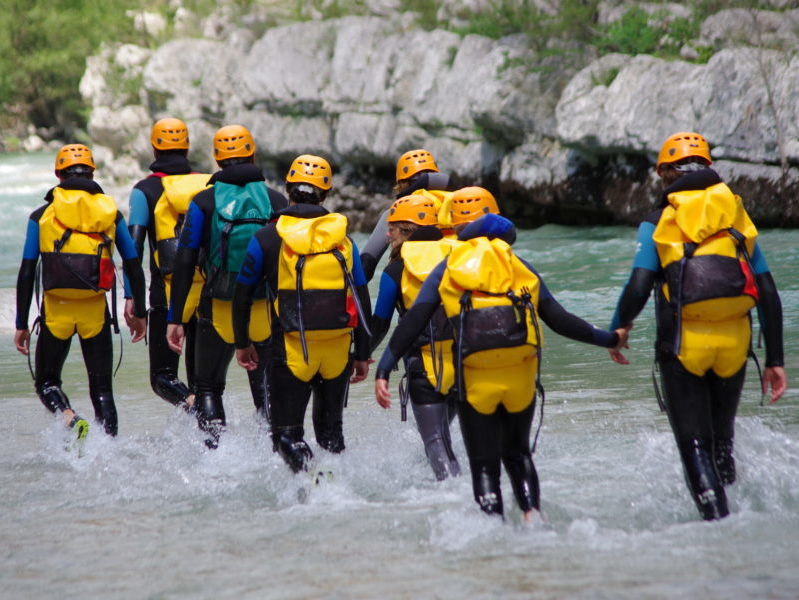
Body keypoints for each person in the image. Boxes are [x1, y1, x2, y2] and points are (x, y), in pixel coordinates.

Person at [375, 188, 628, 520]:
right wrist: (609, 339)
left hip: (475, 378)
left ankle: (493, 533)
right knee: (518, 455)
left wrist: (384, 367)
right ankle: (532, 516)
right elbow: (559, 319)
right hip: (519, 376)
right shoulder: (517, 264)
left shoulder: (448, 268)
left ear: (454, 223)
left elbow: (413, 321)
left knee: (484, 464)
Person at [609, 131, 787, 520]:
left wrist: (619, 328)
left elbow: (639, 284)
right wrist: (776, 359)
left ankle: (717, 525)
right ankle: (738, 519)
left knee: (694, 445)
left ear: (665, 175)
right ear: (709, 169)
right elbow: (769, 294)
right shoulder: (737, 216)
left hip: (683, 347)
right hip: (735, 345)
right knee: (722, 440)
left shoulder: (659, 220)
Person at [233, 154, 372, 474]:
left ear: (288, 188)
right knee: (331, 434)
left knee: (286, 435)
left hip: (293, 350)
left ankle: (310, 479)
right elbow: (361, 300)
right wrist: (362, 353)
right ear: (325, 193)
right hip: (338, 350)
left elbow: (243, 294)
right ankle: (338, 490)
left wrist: (242, 342)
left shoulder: (267, 237)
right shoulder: (344, 241)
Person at [14, 144, 147, 439]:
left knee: (47, 383)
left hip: (56, 314)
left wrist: (21, 324)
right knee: (102, 391)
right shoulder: (111, 213)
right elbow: (134, 265)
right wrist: (140, 313)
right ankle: (107, 455)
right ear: (91, 172)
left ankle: (69, 416)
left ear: (58, 174)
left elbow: (26, 272)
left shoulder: (41, 215)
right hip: (95, 314)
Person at [166, 124, 287, 448]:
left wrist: (175, 317)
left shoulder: (204, 202)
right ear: (252, 153)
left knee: (207, 388)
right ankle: (277, 451)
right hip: (264, 310)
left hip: (218, 308)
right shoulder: (276, 200)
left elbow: (184, 260)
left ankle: (217, 456)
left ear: (217, 158)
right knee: (267, 390)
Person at [369, 194, 461, 480]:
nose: (387, 234)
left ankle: (452, 495)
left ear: (406, 230)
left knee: (435, 442)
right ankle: (461, 490)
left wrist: (360, 356)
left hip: (423, 367)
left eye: (392, 228)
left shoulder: (395, 271)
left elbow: (381, 323)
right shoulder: (458, 258)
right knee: (443, 439)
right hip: (464, 363)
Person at [125, 117, 210, 411]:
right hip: (207, 292)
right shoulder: (207, 185)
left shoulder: (143, 191)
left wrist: (131, 298)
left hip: (166, 296)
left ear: (154, 149)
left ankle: (192, 404)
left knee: (163, 378)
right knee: (205, 384)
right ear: (186, 148)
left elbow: (132, 249)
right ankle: (212, 438)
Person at [360, 149, 452, 281]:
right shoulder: (456, 206)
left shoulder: (394, 213)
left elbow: (366, 264)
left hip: (410, 289)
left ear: (402, 185)